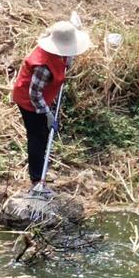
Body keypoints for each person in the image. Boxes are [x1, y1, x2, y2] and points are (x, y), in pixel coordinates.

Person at [12, 21, 91, 193]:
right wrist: (47, 114)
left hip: (43, 97)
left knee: (45, 133)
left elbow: (66, 59)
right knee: (37, 136)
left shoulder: (59, 51)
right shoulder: (43, 66)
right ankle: (36, 180)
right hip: (29, 101)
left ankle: (41, 171)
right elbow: (34, 95)